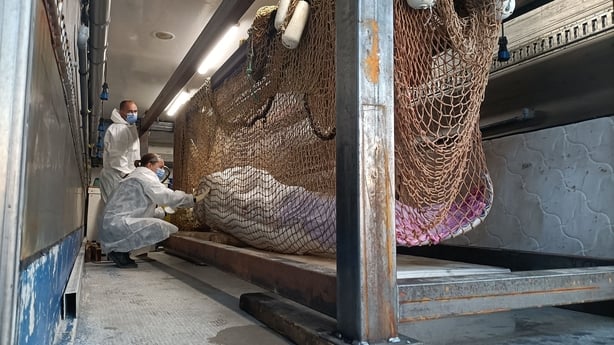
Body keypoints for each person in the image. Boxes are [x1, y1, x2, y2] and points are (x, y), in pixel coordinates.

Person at [100, 153, 204, 268]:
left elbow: (139, 211)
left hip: (113, 225)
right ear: (149, 165)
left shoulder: (136, 176)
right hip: (118, 226)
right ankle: (118, 252)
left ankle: (120, 251)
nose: (162, 171)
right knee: (165, 228)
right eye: (160, 167)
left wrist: (163, 212)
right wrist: (190, 199)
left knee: (158, 225)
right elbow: (165, 196)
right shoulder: (145, 176)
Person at [99, 100, 141, 203]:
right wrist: (127, 176)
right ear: (121, 112)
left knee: (119, 210)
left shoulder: (128, 128)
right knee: (117, 209)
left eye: (135, 111)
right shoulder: (119, 128)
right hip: (117, 176)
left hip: (120, 176)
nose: (133, 114)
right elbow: (118, 156)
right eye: (130, 111)